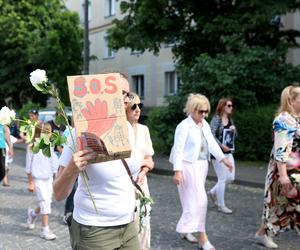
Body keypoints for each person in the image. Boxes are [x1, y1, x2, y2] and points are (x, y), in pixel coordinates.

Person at [53, 74, 154, 249]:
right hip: (94, 231)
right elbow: (58, 193)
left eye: (127, 94)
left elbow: (128, 171)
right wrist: (72, 168)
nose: (125, 100)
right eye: (120, 93)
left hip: (128, 225)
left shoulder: (128, 129)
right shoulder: (78, 133)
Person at [169, 93, 233, 250]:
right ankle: (203, 238)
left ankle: (186, 229)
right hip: (187, 166)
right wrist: (177, 171)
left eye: (206, 111)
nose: (204, 114)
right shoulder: (183, 126)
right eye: (201, 112)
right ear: (192, 110)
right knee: (200, 201)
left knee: (190, 200)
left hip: (202, 165)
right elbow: (178, 150)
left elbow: (211, 143)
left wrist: (223, 159)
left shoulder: (204, 124)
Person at [255, 85, 300, 248]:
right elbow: (280, 150)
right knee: (278, 203)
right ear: (292, 100)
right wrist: (283, 176)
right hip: (285, 170)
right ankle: (263, 233)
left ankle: (262, 233)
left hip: (297, 169)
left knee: (284, 204)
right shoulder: (284, 120)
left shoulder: (298, 118)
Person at [126, 92, 154, 250]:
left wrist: (143, 172)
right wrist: (142, 162)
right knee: (129, 225)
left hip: (141, 184)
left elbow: (150, 160)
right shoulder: (120, 132)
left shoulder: (144, 130)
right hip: (125, 184)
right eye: (133, 106)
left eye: (140, 106)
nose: (138, 109)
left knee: (144, 224)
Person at [26, 123, 59, 240]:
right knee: (45, 202)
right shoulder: (32, 146)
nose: (49, 134)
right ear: (39, 132)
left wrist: (56, 178)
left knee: (46, 202)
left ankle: (32, 214)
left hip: (48, 178)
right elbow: (28, 167)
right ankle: (44, 229)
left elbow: (53, 163)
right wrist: (30, 182)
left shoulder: (50, 145)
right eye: (46, 131)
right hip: (38, 179)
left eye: (50, 131)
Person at [208, 98, 237, 214]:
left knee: (231, 177)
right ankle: (221, 205)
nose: (231, 108)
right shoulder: (216, 119)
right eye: (229, 106)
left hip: (229, 153)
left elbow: (234, 137)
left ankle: (212, 192)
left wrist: (234, 130)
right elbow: (210, 135)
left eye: (231, 106)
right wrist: (221, 145)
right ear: (222, 107)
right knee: (222, 178)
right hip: (218, 154)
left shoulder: (230, 120)